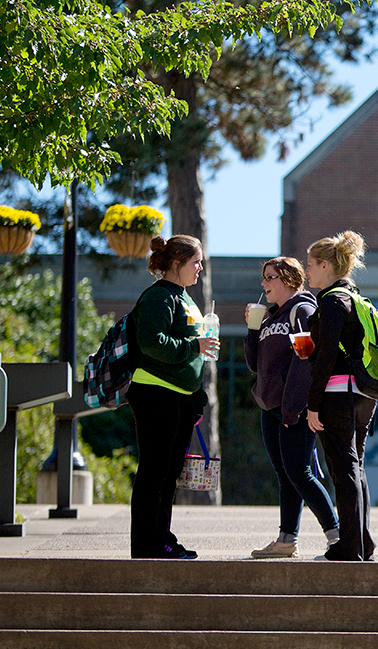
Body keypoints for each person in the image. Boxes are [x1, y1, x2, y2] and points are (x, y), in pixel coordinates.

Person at [127, 234, 219, 559]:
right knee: (155, 471)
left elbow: (195, 355)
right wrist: (194, 346)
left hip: (180, 396)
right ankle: (146, 544)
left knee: (169, 474)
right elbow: (152, 342)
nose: (200, 268)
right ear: (176, 264)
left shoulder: (186, 299)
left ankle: (161, 538)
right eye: (195, 262)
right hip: (154, 392)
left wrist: (197, 400)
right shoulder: (158, 297)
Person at [245, 256, 339, 558]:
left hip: (293, 408)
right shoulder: (271, 316)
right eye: (263, 278)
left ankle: (337, 535)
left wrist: (293, 407)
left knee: (300, 473)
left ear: (288, 279)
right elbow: (253, 365)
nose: (264, 283)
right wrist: (252, 329)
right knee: (285, 474)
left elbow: (305, 361)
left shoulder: (301, 309)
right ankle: (286, 540)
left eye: (269, 277)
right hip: (269, 406)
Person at [303, 230, 376, 561]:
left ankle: (349, 547)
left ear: (323, 265)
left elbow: (328, 356)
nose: (307, 271)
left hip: (337, 394)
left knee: (343, 470)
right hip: (364, 394)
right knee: (356, 468)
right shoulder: (356, 297)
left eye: (309, 264)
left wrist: (312, 404)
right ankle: (362, 543)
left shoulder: (331, 301)